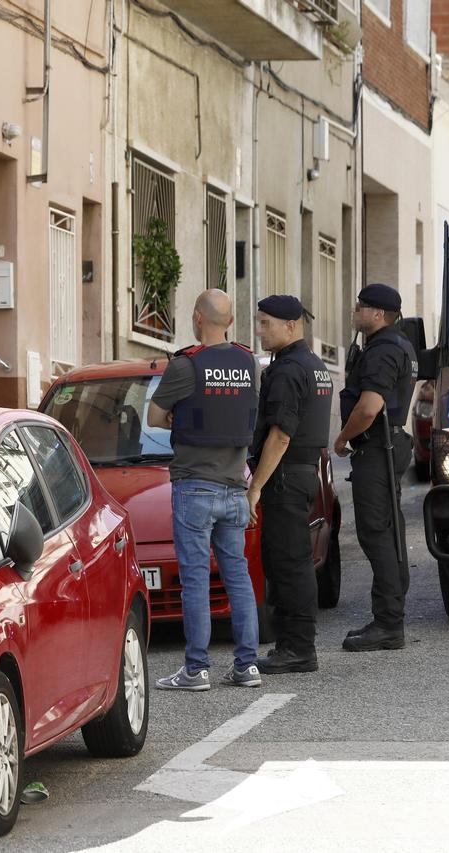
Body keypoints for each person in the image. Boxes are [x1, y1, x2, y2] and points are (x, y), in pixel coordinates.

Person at [148, 290, 262, 692]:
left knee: (195, 580)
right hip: (235, 487)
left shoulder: (186, 365)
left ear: (198, 318)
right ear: (230, 321)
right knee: (238, 577)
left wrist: (184, 418)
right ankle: (247, 666)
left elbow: (154, 415)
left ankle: (196, 670)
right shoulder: (248, 362)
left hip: (194, 486)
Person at [248, 295, 334, 674]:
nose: (260, 330)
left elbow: (280, 436)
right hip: (303, 474)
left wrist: (255, 487)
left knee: (288, 564)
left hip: (285, 476)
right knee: (293, 561)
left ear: (291, 325)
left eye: (266, 323)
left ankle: (297, 649)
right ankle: (294, 646)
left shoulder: (287, 370)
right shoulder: (314, 365)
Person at [334, 283, 417, 652]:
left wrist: (341, 438)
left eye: (361, 307)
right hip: (390, 444)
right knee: (387, 527)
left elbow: (368, 408)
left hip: (378, 446)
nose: (355, 311)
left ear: (378, 314)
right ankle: (388, 615)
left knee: (374, 532)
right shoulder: (399, 344)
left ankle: (388, 623)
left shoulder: (383, 350)